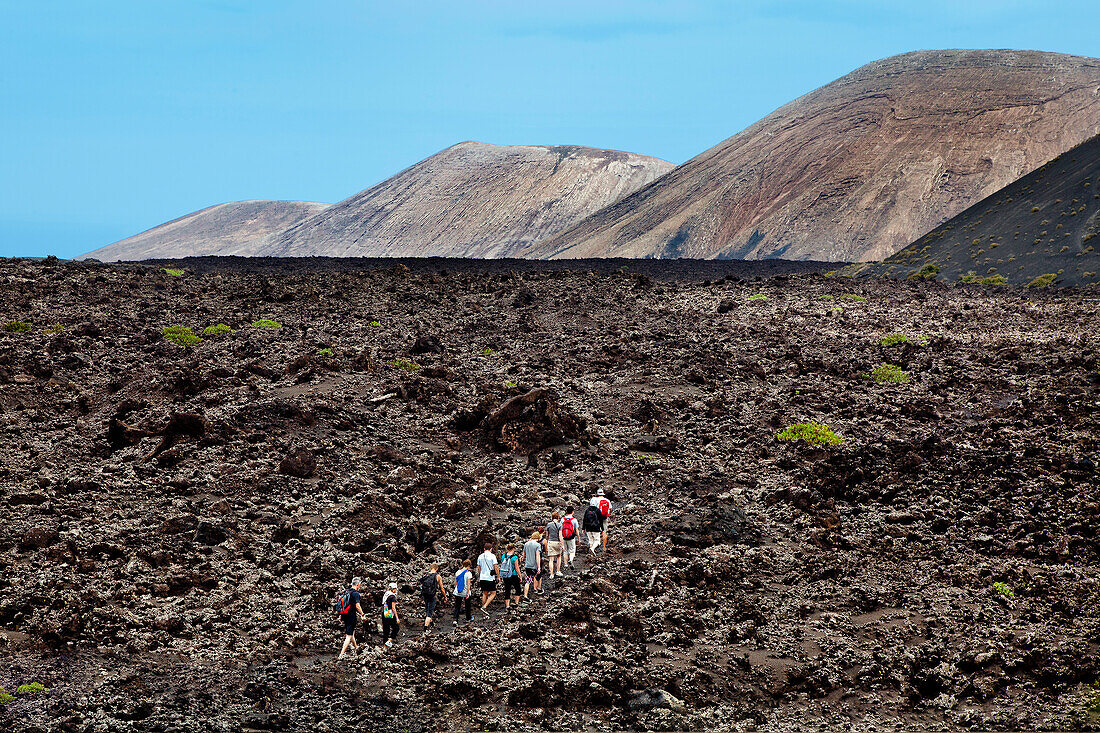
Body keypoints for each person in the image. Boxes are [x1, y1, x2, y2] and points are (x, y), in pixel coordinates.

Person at [337, 577, 366, 659]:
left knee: (351, 632)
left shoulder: (346, 591)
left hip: (344, 615)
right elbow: (357, 605)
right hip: (351, 616)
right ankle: (341, 654)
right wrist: (362, 614)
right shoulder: (355, 594)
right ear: (358, 585)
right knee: (349, 635)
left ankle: (356, 648)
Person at [420, 563, 447, 634]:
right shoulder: (438, 576)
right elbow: (442, 588)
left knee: (427, 608)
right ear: (437, 569)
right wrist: (445, 596)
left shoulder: (425, 575)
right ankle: (425, 629)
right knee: (429, 613)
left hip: (425, 595)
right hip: (432, 595)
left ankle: (431, 623)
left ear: (430, 568)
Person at [476, 541, 500, 615]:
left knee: (484, 593)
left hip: (482, 577)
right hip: (490, 577)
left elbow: (478, 567)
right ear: (491, 549)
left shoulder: (480, 556)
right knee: (493, 593)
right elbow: (495, 566)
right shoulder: (492, 556)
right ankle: (484, 607)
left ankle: (484, 609)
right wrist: (498, 576)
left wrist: (480, 575)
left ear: (484, 549)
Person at [499, 543, 523, 610]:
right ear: (513, 549)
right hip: (514, 575)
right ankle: (516, 603)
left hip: (506, 575)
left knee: (507, 590)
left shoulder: (503, 556)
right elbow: (517, 567)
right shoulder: (514, 557)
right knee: (518, 589)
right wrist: (520, 576)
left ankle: (507, 605)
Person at [453, 559, 473, 626]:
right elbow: (468, 584)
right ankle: (468, 618)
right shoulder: (468, 573)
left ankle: (455, 620)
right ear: (469, 566)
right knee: (467, 605)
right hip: (465, 592)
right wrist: (468, 593)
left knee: (457, 606)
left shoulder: (458, 572)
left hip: (457, 591)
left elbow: (456, 582)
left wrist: (457, 588)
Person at [522, 531, 543, 599]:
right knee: (537, 577)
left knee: (528, 581)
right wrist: (539, 567)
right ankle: (536, 591)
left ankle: (525, 595)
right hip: (534, 566)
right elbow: (537, 556)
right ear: (538, 537)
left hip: (527, 565)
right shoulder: (537, 545)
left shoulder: (526, 544)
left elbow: (523, 555)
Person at [545, 512, 564, 579]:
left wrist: (547, 540)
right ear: (558, 517)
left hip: (550, 542)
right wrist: (562, 544)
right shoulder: (559, 525)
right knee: (558, 557)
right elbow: (560, 535)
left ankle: (551, 574)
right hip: (557, 542)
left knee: (551, 559)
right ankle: (558, 571)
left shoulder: (548, 525)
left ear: (552, 517)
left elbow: (547, 535)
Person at [381, 582, 400, 648]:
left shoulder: (386, 594)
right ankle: (389, 641)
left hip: (385, 612)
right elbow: (393, 608)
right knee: (396, 627)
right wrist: (397, 617)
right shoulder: (392, 596)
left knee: (386, 629)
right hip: (390, 613)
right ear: (394, 589)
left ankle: (385, 643)